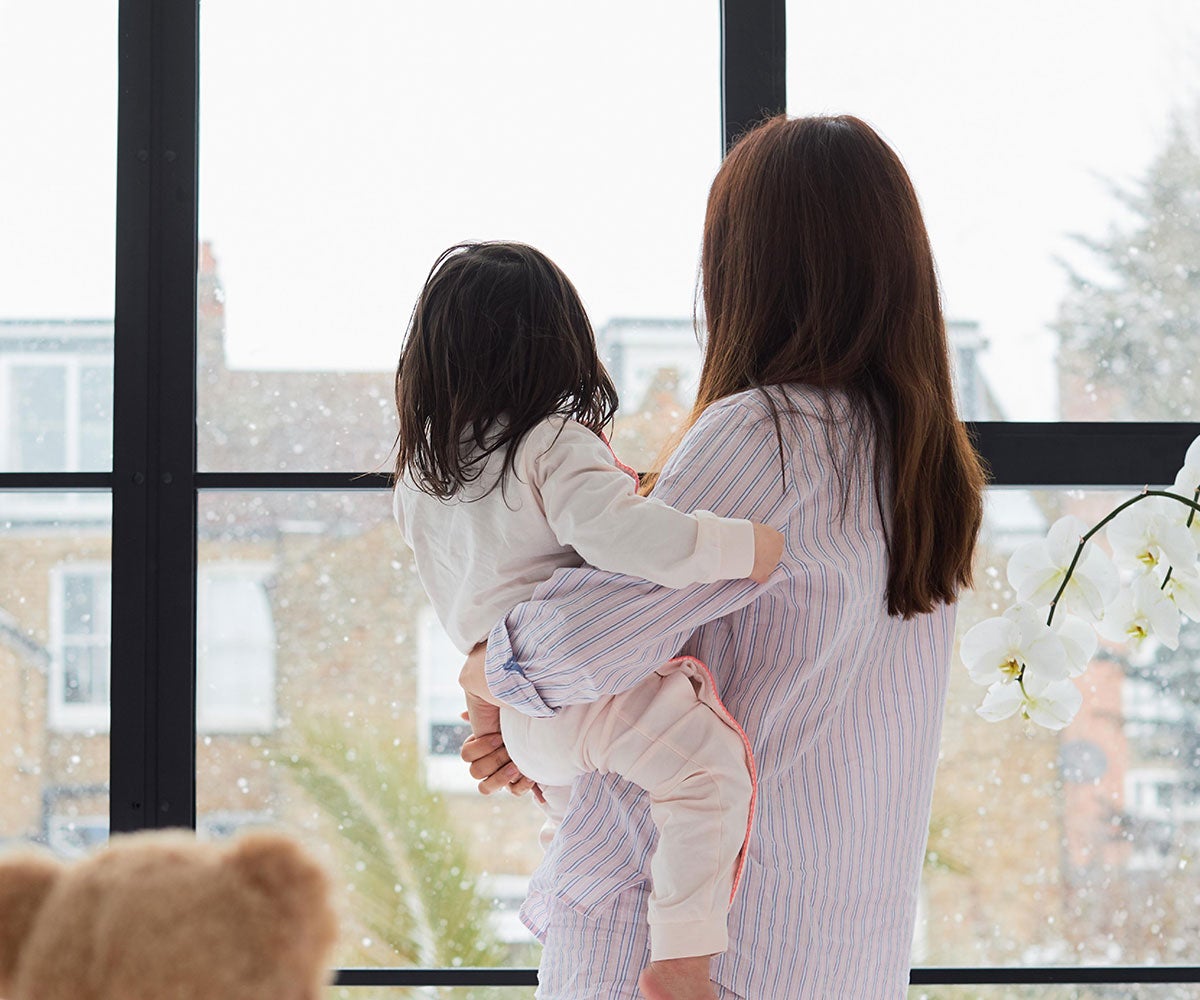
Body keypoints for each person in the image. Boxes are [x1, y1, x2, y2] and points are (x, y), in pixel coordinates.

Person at [459, 114, 988, 1000]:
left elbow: (584, 643)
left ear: (745, 267)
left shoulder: (768, 435)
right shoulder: (925, 465)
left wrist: (489, 674)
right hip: (841, 955)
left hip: (688, 949)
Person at [392, 241, 785, 1000]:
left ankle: (577, 946)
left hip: (526, 723)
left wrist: (485, 711)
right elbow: (630, 541)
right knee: (705, 774)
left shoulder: (419, 482)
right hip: (589, 696)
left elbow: (472, 601)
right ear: (559, 344)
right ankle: (681, 961)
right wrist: (744, 546)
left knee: (581, 838)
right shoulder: (549, 442)